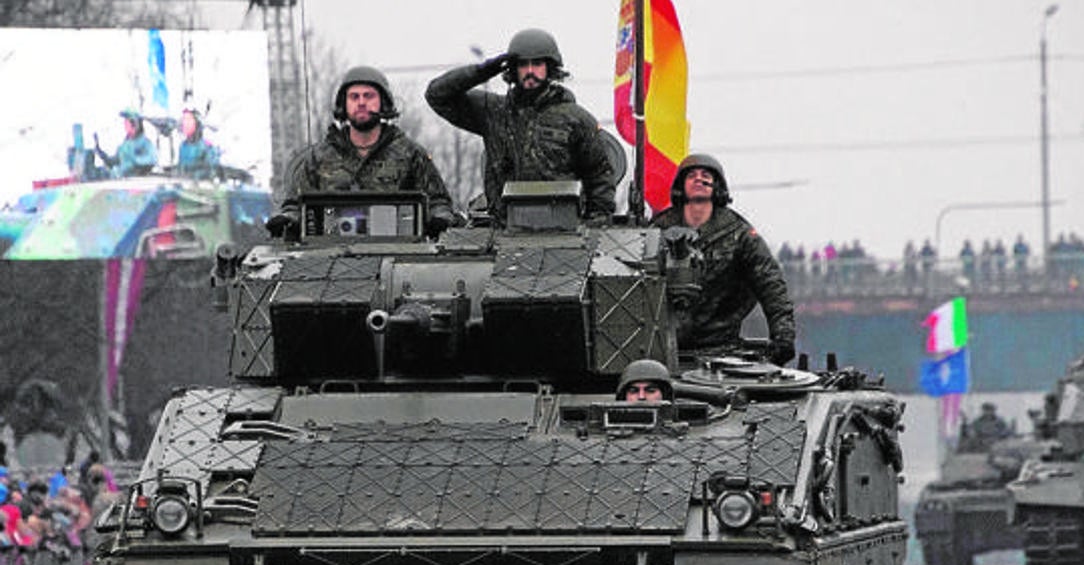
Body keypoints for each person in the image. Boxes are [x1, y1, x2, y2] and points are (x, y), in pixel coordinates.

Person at [425, 28, 616, 223]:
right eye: (523, 65)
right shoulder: (493, 112)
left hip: (561, 229)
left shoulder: (577, 120)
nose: (530, 71)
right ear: (513, 70)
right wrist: (484, 71)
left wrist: (595, 221)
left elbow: (599, 174)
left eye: (537, 64)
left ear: (550, 67)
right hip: (505, 228)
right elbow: (437, 95)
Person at [266, 66, 455, 238]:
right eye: (354, 97)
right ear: (344, 104)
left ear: (383, 102)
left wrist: (440, 219)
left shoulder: (410, 154)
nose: (362, 103)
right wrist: (287, 220)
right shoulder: (318, 157)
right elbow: (295, 206)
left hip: (398, 253)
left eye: (369, 96)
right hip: (328, 254)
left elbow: (438, 203)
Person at [651, 153, 796, 365]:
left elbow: (770, 283)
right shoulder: (656, 230)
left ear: (717, 186)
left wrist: (783, 335)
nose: (699, 179)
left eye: (706, 175)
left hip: (722, 350)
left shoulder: (738, 233)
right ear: (681, 185)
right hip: (660, 350)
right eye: (691, 175)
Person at [94, 109, 157, 178]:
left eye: (127, 123)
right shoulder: (124, 145)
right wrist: (101, 154)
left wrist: (134, 159)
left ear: (135, 124)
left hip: (137, 182)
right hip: (120, 181)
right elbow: (114, 161)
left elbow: (151, 159)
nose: (125, 126)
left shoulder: (145, 143)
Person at [175, 108, 220, 180]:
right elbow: (180, 167)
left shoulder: (207, 147)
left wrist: (194, 175)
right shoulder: (183, 146)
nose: (184, 125)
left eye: (189, 121)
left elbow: (211, 172)